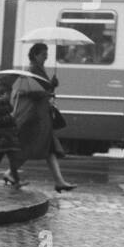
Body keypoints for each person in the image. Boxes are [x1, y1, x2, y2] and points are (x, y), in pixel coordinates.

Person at [11, 42, 76, 192]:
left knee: (46, 147)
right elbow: (32, 92)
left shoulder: (39, 69)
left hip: (41, 114)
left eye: (47, 55)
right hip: (36, 116)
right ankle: (10, 173)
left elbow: (42, 89)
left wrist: (51, 86)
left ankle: (59, 181)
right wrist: (49, 88)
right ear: (35, 55)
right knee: (36, 145)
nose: (46, 58)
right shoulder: (32, 70)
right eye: (43, 55)